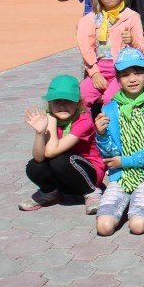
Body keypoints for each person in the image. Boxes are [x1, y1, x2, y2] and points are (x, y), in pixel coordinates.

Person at [94, 47, 144, 236]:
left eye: (137, 73)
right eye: (125, 75)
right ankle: (129, 200)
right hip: (120, 175)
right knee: (104, 227)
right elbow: (110, 154)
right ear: (118, 79)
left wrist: (126, 161)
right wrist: (101, 134)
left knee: (137, 226)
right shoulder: (109, 109)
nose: (132, 79)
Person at [20, 75, 105, 215]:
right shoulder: (47, 120)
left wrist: (51, 121)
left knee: (59, 160)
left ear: (78, 103)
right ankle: (50, 192)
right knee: (34, 166)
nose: (62, 106)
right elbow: (39, 157)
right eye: (57, 101)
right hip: (64, 175)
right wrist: (40, 133)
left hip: (89, 173)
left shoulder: (84, 121)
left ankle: (91, 192)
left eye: (68, 101)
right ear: (49, 104)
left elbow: (51, 152)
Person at [77, 0, 144, 109]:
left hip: (123, 70)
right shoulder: (89, 20)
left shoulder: (131, 17)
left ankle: (111, 123)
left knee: (111, 98)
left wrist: (132, 41)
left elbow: (142, 49)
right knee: (82, 95)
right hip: (98, 68)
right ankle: (86, 123)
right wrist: (94, 73)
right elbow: (86, 49)